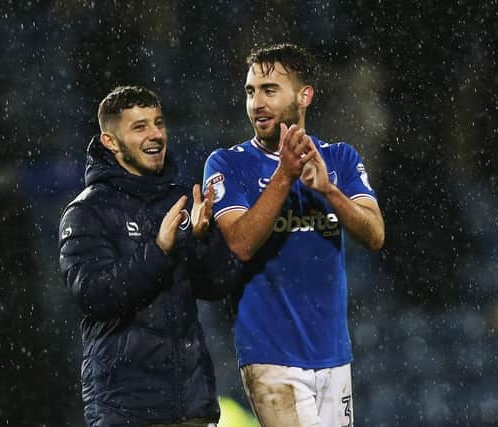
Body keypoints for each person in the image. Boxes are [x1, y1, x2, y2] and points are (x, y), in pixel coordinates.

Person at [203, 43, 385, 426]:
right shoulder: (228, 163)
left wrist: (329, 192)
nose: (257, 103)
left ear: (304, 96)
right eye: (251, 92)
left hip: (334, 352)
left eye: (270, 90)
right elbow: (240, 242)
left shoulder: (339, 159)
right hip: (270, 354)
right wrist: (285, 174)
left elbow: (375, 235)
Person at [59, 85, 240, 427]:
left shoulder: (183, 199)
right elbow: (95, 296)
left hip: (192, 406)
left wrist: (202, 240)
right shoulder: (86, 213)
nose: (156, 134)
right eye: (139, 126)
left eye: (158, 123)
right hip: (125, 410)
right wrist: (159, 251)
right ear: (110, 142)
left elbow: (217, 284)